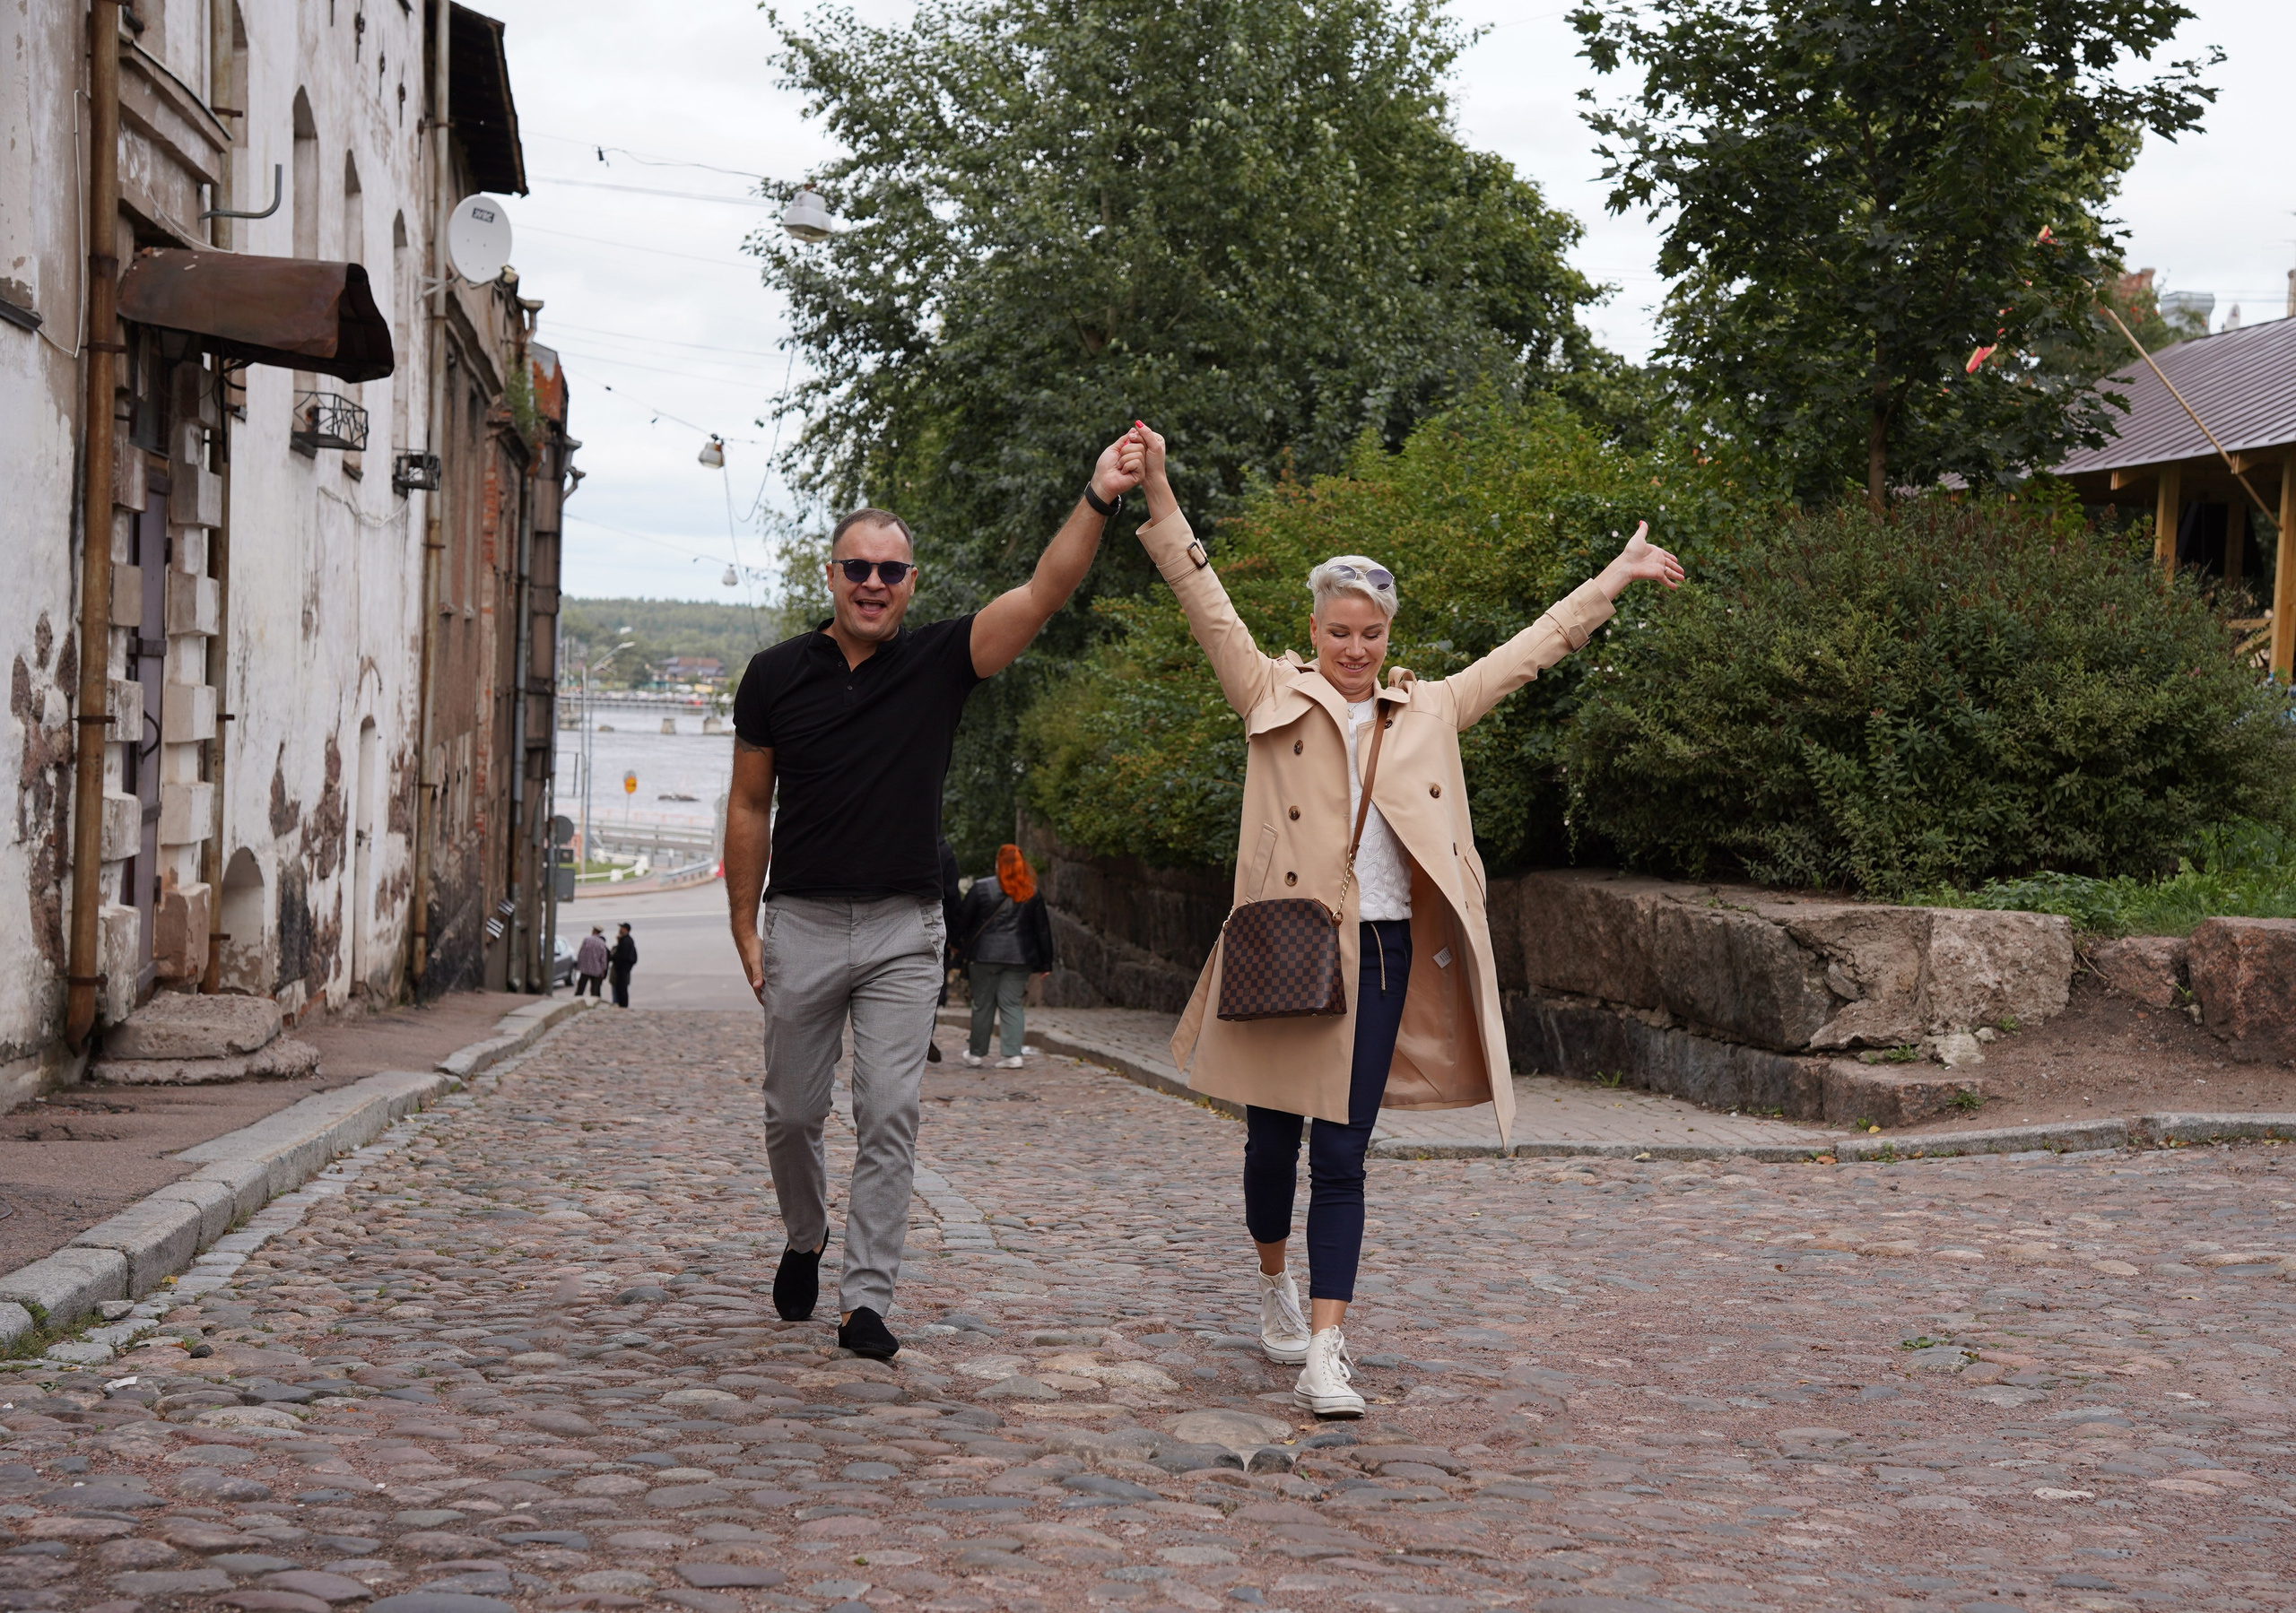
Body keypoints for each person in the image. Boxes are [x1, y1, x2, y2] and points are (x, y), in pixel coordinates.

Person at [1118, 422, 1683, 1416]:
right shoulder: (1265, 688)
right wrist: (1159, 494)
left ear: (1388, 637)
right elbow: (1202, 602)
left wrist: (1614, 579)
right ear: (1317, 626)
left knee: (1341, 1153)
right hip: (1286, 945)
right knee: (1268, 1143)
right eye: (1338, 630)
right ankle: (1271, 1282)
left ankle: (1329, 1349)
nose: (1352, 646)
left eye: (1369, 632)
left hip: (1379, 956)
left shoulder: (1427, 710)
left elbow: (1528, 653)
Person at [723, 429, 1143, 1361]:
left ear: (912, 582)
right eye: (857, 567)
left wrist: (1098, 494)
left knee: (889, 1110)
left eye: (892, 569)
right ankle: (804, 1235)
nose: (873, 582)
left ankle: (865, 1300)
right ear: (830, 575)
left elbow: (1043, 594)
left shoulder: (943, 661)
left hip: (905, 930)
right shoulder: (775, 676)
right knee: (791, 1113)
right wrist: (743, 926)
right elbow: (750, 805)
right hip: (800, 919)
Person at [954, 844, 1056, 1068]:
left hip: (984, 956)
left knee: (982, 1004)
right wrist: (1046, 962)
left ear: (998, 863)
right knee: (1011, 1003)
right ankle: (1013, 1054)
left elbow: (962, 921)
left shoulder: (981, 888)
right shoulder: (1031, 891)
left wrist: (955, 945)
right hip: (1019, 958)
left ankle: (977, 1053)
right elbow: (1042, 930)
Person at [928, 837, 962, 1065]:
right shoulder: (944, 851)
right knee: (932, 986)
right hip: (938, 925)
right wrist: (957, 937)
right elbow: (952, 894)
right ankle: (923, 1034)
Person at [574, 926, 608, 999]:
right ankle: (594, 1003)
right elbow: (603, 960)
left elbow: (581, 954)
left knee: (580, 989)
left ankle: (577, 1001)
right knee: (595, 991)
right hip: (596, 971)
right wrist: (603, 971)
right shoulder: (602, 943)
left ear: (594, 931)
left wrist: (579, 966)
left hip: (585, 969)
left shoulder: (587, 940)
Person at [608, 923, 638, 1008]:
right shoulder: (624, 940)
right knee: (619, 987)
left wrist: (614, 956)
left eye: (622, 928)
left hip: (623, 968)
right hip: (622, 968)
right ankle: (622, 1004)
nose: (620, 930)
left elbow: (623, 956)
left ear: (626, 930)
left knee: (622, 988)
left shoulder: (626, 941)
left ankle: (623, 1005)